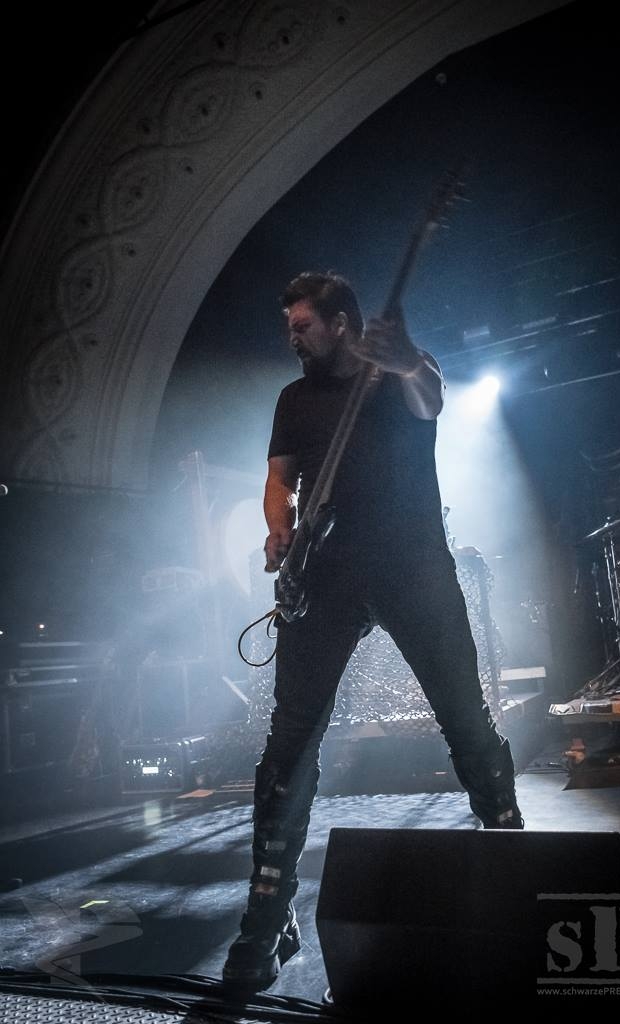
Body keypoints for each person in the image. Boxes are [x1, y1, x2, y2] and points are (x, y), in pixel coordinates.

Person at [222, 271, 523, 991]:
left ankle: (514, 862)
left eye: (302, 326)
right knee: (290, 739)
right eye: (290, 326)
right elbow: (279, 479)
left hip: (413, 567)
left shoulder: (402, 374)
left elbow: (431, 401)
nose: (293, 337)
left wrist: (408, 359)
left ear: (340, 323)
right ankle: (266, 919)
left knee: (464, 717)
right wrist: (278, 527)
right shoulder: (294, 399)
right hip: (326, 572)